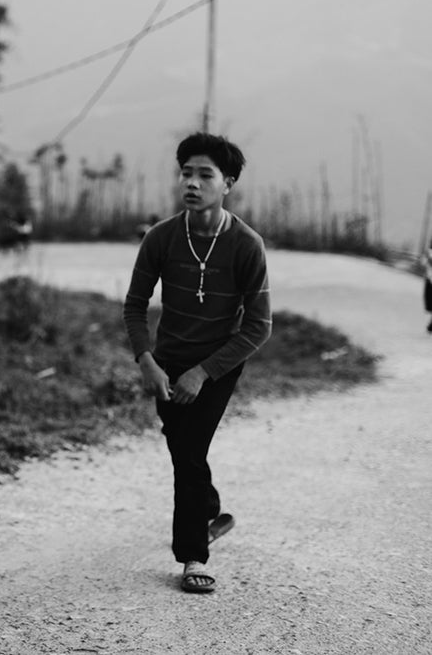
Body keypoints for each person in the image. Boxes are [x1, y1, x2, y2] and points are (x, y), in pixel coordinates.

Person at [122, 132, 272, 594]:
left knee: (187, 454)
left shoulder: (247, 245)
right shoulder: (162, 238)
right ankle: (207, 507)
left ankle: (193, 556)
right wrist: (147, 360)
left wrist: (203, 372)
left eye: (205, 174)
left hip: (218, 364)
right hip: (167, 361)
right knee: (183, 447)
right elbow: (134, 305)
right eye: (186, 172)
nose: (192, 182)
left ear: (227, 183)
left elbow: (258, 326)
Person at [423, 241, 432, 333]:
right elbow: (424, 262)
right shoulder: (429, 252)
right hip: (429, 279)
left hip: (429, 279)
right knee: (429, 301)